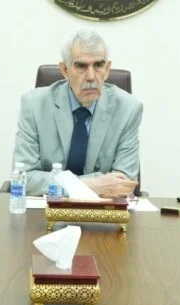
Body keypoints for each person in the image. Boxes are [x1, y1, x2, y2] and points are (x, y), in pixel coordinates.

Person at [12, 29, 143, 197]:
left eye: (98, 65)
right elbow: (25, 178)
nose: (91, 77)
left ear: (107, 69)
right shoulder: (34, 105)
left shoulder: (128, 109)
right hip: (47, 209)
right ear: (64, 70)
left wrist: (59, 183)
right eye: (81, 66)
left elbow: (124, 183)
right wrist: (93, 185)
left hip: (102, 211)